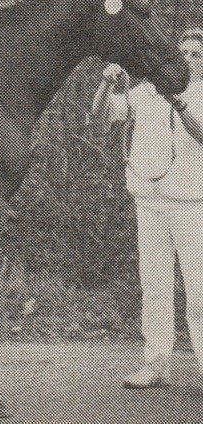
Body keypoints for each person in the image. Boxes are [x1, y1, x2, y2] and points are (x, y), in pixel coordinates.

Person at [89, 28, 203, 388]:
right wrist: (109, 82)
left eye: (195, 53)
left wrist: (179, 102)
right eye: (182, 51)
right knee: (154, 286)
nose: (187, 58)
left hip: (191, 202)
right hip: (149, 200)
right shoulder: (146, 92)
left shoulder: (196, 94)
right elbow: (99, 118)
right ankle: (156, 364)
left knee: (199, 289)